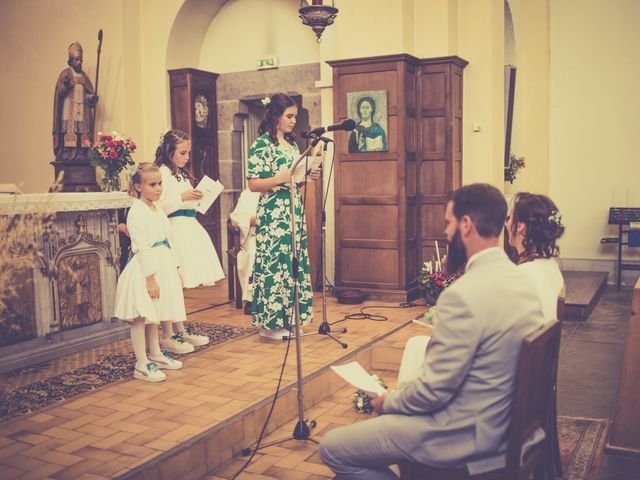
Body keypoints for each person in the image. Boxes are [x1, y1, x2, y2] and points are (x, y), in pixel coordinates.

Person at [319, 183, 546, 479]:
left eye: (449, 223)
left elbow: (433, 392)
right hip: (499, 424)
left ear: (466, 225)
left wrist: (389, 400)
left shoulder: (463, 295)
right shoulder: (523, 283)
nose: (446, 232)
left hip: (459, 436)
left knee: (333, 448)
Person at [247, 93, 318, 340]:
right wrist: (281, 177)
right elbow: (253, 184)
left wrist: (305, 177)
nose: (293, 121)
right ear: (275, 115)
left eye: (295, 116)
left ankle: (290, 319)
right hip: (273, 210)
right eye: (289, 116)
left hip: (293, 208)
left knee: (293, 263)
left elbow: (293, 178)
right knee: (274, 263)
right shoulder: (261, 145)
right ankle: (270, 325)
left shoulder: (293, 145)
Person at [154, 129, 224, 353]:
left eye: (188, 153)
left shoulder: (180, 174)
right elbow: (158, 205)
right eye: (182, 153)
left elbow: (183, 202)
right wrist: (183, 197)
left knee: (178, 287)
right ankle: (167, 334)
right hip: (174, 230)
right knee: (170, 284)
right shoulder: (163, 173)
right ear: (169, 151)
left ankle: (180, 330)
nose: (187, 157)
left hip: (188, 227)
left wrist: (198, 199)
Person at [113, 163, 184, 382]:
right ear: (138, 187)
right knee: (141, 316)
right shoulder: (137, 211)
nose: (158, 188)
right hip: (145, 269)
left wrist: (175, 266)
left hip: (161, 263)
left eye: (160, 183)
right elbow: (141, 246)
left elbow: (167, 238)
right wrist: (150, 279)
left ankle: (155, 354)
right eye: (152, 184)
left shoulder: (156, 208)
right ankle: (142, 363)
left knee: (155, 314)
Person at [506, 192, 565, 322]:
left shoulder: (523, 274)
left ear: (520, 226)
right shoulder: (550, 264)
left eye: (509, 218)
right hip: (539, 339)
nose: (506, 224)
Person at [52, 42, 98, 158]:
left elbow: (88, 94)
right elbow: (60, 92)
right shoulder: (65, 74)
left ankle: (81, 152)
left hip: (82, 110)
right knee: (67, 130)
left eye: (81, 60)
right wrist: (66, 86)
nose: (80, 63)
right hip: (68, 110)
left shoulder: (84, 76)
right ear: (70, 61)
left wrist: (92, 98)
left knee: (81, 130)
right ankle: (66, 152)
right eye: (77, 60)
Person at [229, 188, 261, 314]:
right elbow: (234, 217)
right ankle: (251, 300)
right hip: (253, 236)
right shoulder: (247, 194)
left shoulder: (276, 192)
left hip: (273, 237)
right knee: (253, 253)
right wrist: (249, 220)